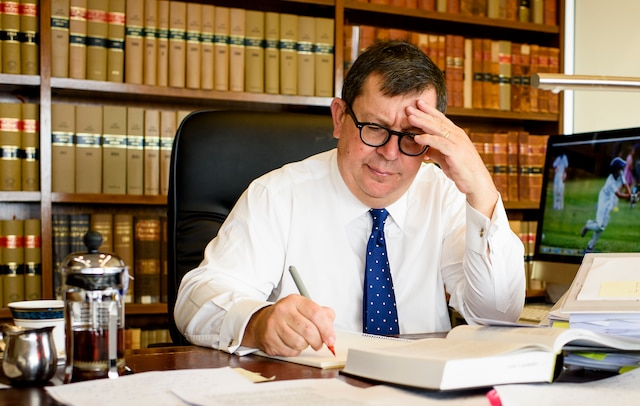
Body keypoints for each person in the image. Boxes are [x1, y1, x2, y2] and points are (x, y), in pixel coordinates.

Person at [174, 40, 526, 357]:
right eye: (374, 128)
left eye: (412, 136)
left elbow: (497, 314)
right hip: (310, 401)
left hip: (421, 405)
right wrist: (259, 322)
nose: (390, 153)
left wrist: (482, 188)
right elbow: (196, 299)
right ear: (340, 118)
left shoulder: (444, 195)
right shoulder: (278, 195)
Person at [580, 156, 633, 251]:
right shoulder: (610, 182)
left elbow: (625, 185)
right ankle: (587, 226)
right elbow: (619, 195)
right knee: (600, 226)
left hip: (610, 200)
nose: (622, 169)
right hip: (603, 199)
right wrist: (630, 197)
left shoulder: (620, 173)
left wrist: (631, 195)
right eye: (621, 167)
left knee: (602, 226)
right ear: (615, 169)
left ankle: (590, 246)